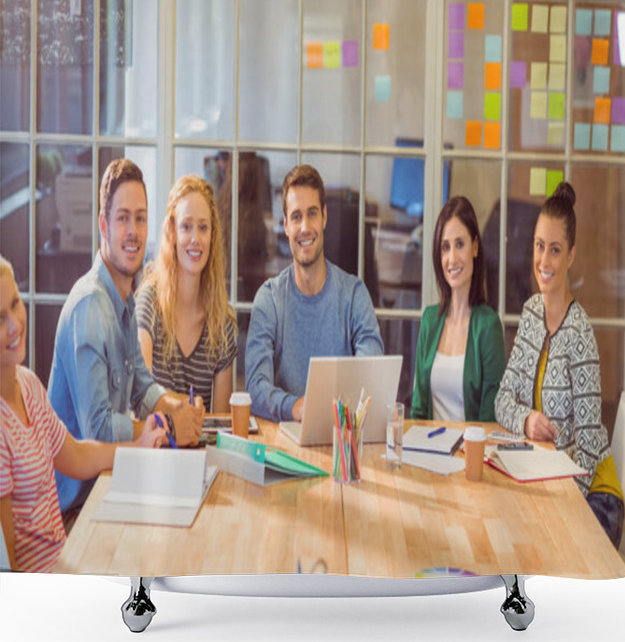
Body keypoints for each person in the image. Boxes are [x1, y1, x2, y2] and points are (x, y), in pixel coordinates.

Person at [47, 159, 204, 519]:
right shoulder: (91, 306)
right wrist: (168, 428)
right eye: (122, 218)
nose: (133, 230)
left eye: (140, 218)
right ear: (103, 225)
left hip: (111, 485)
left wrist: (179, 410)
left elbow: (143, 388)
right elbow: (99, 429)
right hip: (75, 513)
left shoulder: (124, 299)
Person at [0, 255, 166, 572]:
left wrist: (139, 448)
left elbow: (75, 454)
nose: (14, 324)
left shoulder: (28, 384)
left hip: (65, 561)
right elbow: (8, 570)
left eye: (15, 304)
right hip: (43, 592)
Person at [494, 181, 624, 548]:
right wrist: (527, 419)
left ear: (570, 256)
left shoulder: (580, 332)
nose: (544, 261)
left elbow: (584, 451)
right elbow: (502, 399)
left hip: (594, 496)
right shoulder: (532, 314)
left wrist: (555, 513)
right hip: (547, 482)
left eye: (555, 250)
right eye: (539, 247)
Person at [245, 164, 384, 423]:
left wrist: (330, 409)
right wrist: (296, 407)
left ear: (324, 218)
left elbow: (371, 369)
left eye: (312, 214)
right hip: (285, 446)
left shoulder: (354, 295)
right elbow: (256, 386)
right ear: (285, 225)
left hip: (340, 441)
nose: (305, 227)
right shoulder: (270, 300)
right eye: (296, 217)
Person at [136, 175, 237, 413]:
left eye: (203, 228)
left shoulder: (223, 323)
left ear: (212, 236)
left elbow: (220, 425)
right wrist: (184, 405)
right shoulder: (149, 301)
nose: (195, 239)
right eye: (186, 226)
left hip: (199, 448)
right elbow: (140, 395)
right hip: (154, 446)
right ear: (172, 233)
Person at [411, 196, 505, 422]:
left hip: (470, 454)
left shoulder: (488, 326)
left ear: (475, 247)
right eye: (445, 247)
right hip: (429, 452)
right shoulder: (429, 321)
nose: (451, 258)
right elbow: (417, 411)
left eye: (459, 244)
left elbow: (490, 420)